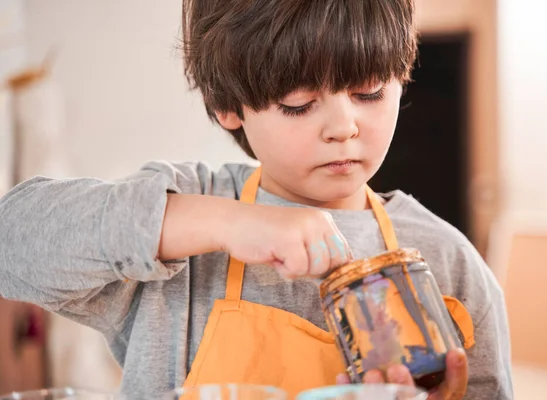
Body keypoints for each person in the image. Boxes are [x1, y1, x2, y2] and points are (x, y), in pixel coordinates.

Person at [0, 0, 513, 398]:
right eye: (299, 103)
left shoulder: (449, 263)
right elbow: (12, 239)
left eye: (370, 91)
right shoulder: (188, 228)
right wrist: (223, 223)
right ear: (228, 106)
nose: (343, 126)